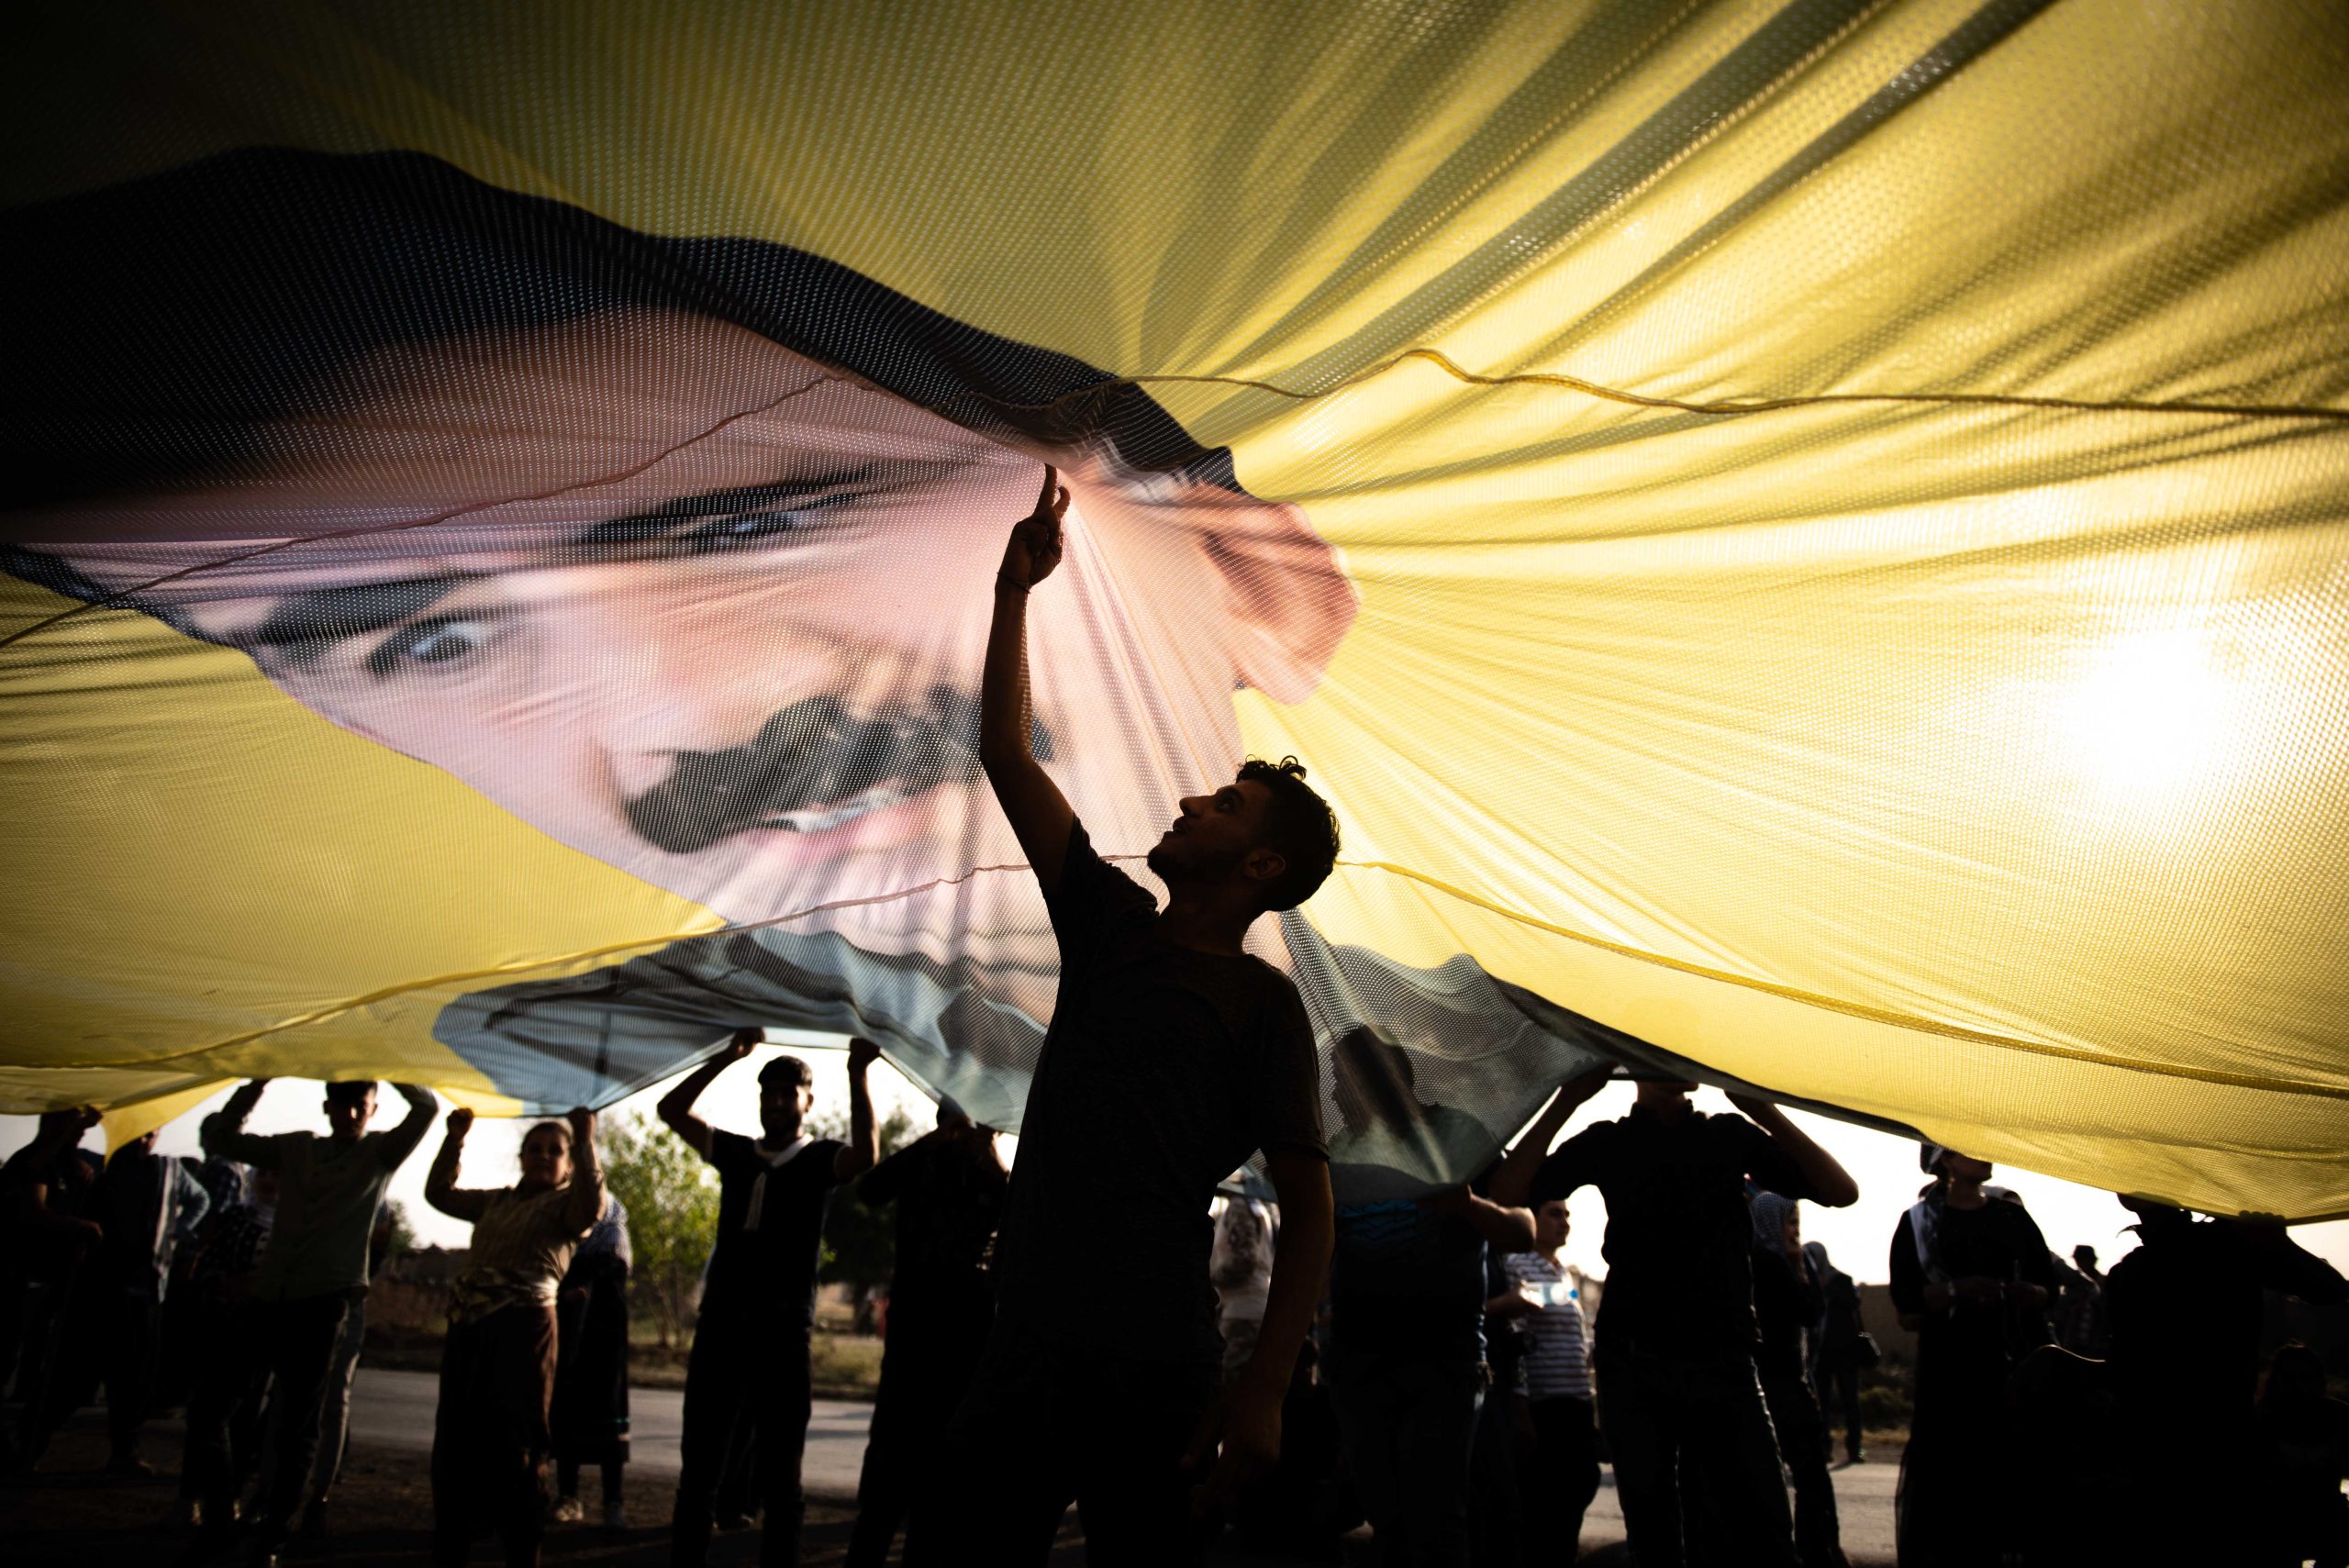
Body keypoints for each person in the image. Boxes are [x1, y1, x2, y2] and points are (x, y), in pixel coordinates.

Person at [6, 145, 1360, 1133]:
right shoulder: (538, 1037)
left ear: (1258, 587)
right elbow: (1006, 760)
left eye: (757, 525)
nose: (681, 717)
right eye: (431, 642)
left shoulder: (1338, 1057)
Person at [900, 468, 1340, 1568]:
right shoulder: (1108, 924)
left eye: (1225, 805)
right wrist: (1014, 593)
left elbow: (1309, 1208)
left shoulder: (1264, 1006)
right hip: (1020, 1348)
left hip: (1154, 1363)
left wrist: (1264, 1386)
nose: (1190, 800)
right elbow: (1007, 753)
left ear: (1261, 866)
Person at [1493, 1067, 1860, 1568]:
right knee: (1655, 1538)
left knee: (1766, 1532)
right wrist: (1567, 1098)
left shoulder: (1727, 1135)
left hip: (1724, 1360)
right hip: (1635, 1363)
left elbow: (1840, 1190)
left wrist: (1760, 1106)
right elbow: (1506, 1195)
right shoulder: (1611, 1141)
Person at [186, 1076, 436, 1566]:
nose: (351, 1115)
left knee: (297, 1427)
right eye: (342, 1105)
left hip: (323, 1305)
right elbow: (219, 1138)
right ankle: (220, 1523)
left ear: (373, 1109)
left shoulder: (380, 1154)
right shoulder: (297, 1149)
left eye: (360, 1106)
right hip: (269, 1299)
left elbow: (425, 1108)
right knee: (210, 1411)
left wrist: (389, 1062)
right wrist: (257, 1083)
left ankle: (272, 1540)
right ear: (327, 1107)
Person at [658, 1031, 879, 1568]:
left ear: (808, 1102)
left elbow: (866, 1156)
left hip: (783, 1334)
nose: (777, 1102)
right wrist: (724, 1057)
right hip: (720, 1329)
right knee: (699, 1472)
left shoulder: (820, 1159)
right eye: (769, 1093)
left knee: (782, 1478)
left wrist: (857, 1073)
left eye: (788, 1093)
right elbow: (671, 1110)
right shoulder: (737, 1153)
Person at [1322, 1028, 1531, 1568]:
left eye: (1347, 1080)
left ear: (1390, 1080)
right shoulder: (1338, 1153)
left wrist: (1467, 1206)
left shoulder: (1455, 1134)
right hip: (1359, 1361)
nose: (1339, 1094)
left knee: (1435, 1524)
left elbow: (1522, 1229)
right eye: (1337, 1081)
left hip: (1444, 1362)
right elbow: (1317, 1247)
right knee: (1387, 1520)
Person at [2100, 1199, 2347, 1563]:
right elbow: (2123, 1367)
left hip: (2216, 1458)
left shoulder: (2226, 1245)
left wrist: (2277, 1245)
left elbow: (2330, 1289)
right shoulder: (2132, 1271)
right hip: (2165, 1460)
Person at [424, 1105, 605, 1567]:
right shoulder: (497, 1201)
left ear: (569, 1163)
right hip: (469, 1328)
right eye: (535, 1149)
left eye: (555, 1151)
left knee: (517, 1449)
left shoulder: (568, 1207)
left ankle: (522, 1554)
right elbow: (438, 1194)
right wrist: (455, 1139)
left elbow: (592, 1206)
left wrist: (586, 1141)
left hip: (524, 1334)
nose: (544, 1156)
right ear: (521, 1157)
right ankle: (452, 1547)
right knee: (455, 1444)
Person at [844, 1096, 1008, 1568]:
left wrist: (989, 1154)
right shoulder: (924, 1161)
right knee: (885, 1485)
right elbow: (870, 1189)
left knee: (941, 1493)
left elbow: (1020, 1215)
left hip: (966, 1345)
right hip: (912, 1344)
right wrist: (936, 1140)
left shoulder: (992, 1176)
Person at [1886, 1143, 2056, 1568]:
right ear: (1944, 1159)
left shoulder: (2010, 1216)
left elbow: (2048, 1287)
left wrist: (2028, 1294)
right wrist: (1957, 1290)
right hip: (1949, 1367)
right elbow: (1907, 1304)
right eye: (1970, 1148)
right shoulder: (1918, 1223)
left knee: (2005, 1466)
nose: (1985, 1154)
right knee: (1950, 1469)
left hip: (2008, 1361)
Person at [22, 1126, 210, 1475]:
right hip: (96, 1291)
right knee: (71, 1378)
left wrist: (175, 1233)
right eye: (138, 1133)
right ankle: (29, 1447)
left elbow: (200, 1199)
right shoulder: (94, 1167)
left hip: (145, 1290)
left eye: (150, 1134)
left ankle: (124, 1453)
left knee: (133, 1380)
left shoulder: (167, 1170)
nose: (143, 1140)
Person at [1, 1106, 106, 1471]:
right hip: (22, 1274)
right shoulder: (32, 1161)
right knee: (9, 1356)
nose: (80, 1133)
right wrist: (81, 1227)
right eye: (72, 1126)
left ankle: (24, 1440)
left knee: (45, 1360)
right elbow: (34, 1211)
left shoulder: (70, 1165)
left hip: (52, 1277)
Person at [1750, 1192, 1848, 1568]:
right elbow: (1809, 1311)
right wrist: (1800, 1269)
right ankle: (1815, 1549)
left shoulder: (1765, 1260)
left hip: (1784, 1382)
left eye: (1797, 1224)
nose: (1795, 1232)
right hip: (1779, 1385)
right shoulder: (1770, 1264)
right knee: (1808, 1475)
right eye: (1790, 1223)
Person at [1499, 1198, 1600, 1563]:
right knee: (1547, 1505)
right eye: (1554, 1214)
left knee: (1579, 1487)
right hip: (1546, 1406)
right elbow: (1516, 1334)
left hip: (1575, 1402)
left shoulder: (1563, 1274)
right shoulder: (1518, 1265)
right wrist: (1521, 1406)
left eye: (1567, 1214)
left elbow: (1570, 1334)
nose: (1564, 1222)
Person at [551, 1190, 635, 1531]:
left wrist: (582, 1279)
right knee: (567, 1416)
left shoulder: (613, 1228)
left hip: (605, 1340)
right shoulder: (561, 1221)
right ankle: (568, 1496)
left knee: (609, 1419)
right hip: (568, 1334)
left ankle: (613, 1502)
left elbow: (613, 1273)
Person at [2254, 1343, 2349, 1568]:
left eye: (2306, 1378)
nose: (2299, 1386)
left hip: (2325, 1517)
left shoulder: (2338, 1416)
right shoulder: (2262, 1421)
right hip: (2279, 1520)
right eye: (2290, 1378)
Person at [1803, 1239, 1868, 1466]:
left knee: (1850, 1400)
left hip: (1845, 1351)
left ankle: (1855, 1447)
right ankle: (1824, 1447)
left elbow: (1852, 1303)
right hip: (1820, 1353)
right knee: (1821, 1401)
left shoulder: (1841, 1280)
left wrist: (1826, 1288)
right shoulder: (1806, 1282)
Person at [1209, 1196, 1277, 1387]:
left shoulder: (1238, 1207)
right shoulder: (1256, 1207)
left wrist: (1209, 1279)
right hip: (1249, 1310)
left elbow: (1243, 1259)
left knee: (1233, 1386)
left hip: (1243, 1314)